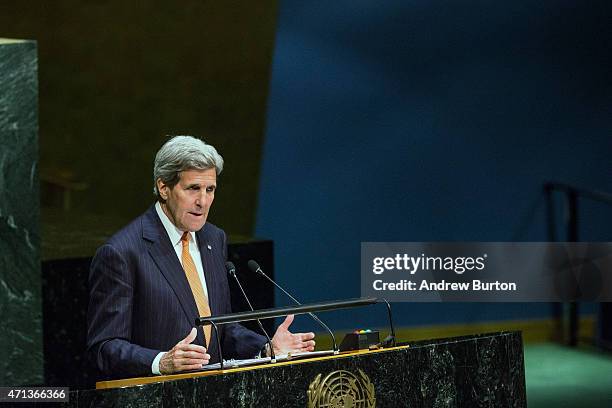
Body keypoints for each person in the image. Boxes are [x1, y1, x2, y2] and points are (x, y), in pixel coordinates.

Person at [87, 135, 315, 379]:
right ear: (164, 187)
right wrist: (161, 362)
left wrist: (266, 347)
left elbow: (222, 328)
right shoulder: (122, 252)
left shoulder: (213, 239)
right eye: (193, 188)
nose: (203, 202)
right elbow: (104, 347)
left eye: (210, 189)